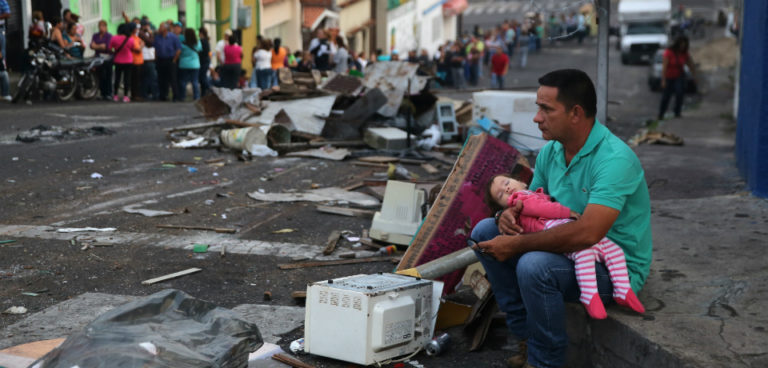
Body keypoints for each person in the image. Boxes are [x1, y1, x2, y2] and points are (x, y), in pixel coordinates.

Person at [470, 69, 652, 368]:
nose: (536, 118)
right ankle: (526, 337)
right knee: (484, 231)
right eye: (538, 108)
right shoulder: (551, 152)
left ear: (576, 113)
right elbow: (531, 204)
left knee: (533, 265)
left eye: (546, 109)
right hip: (566, 250)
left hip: (609, 265)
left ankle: (546, 361)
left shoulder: (614, 160)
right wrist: (506, 215)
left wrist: (517, 245)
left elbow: (587, 234)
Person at [485, 174, 646, 319]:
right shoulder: (521, 198)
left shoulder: (532, 193)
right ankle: (589, 295)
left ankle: (623, 290)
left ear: (520, 180)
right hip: (554, 230)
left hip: (566, 229)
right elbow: (543, 208)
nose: (506, 188)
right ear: (504, 205)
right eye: (501, 195)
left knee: (614, 250)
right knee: (583, 253)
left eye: (506, 182)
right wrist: (569, 212)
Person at [658, 35, 695, 120]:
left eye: (684, 45)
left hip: (679, 76)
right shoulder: (669, 52)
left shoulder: (684, 54)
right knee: (666, 97)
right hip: (669, 76)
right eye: (681, 44)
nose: (683, 46)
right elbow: (664, 67)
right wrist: (663, 80)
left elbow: (690, 64)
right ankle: (661, 114)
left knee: (680, 93)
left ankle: (677, 112)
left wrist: (694, 76)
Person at [154, 23, 181, 101]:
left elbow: (178, 50)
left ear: (165, 28)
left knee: (173, 79)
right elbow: (156, 49)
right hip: (160, 60)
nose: (159, 28)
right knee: (161, 79)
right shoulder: (157, 37)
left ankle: (175, 96)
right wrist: (156, 59)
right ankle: (163, 95)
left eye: (161, 27)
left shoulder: (173, 37)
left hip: (170, 60)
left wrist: (174, 60)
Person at [110, 23, 136, 102]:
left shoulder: (114, 38)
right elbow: (133, 48)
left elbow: (110, 48)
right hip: (128, 61)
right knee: (126, 79)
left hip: (117, 60)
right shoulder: (130, 39)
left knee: (117, 78)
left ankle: (115, 95)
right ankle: (125, 96)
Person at [90, 20, 113, 100]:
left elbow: (106, 46)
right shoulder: (95, 35)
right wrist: (99, 46)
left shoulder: (109, 36)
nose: (101, 28)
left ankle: (109, 93)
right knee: (100, 76)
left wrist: (96, 46)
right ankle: (102, 92)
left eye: (103, 26)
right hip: (98, 58)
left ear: (106, 27)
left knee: (107, 75)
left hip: (107, 58)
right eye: (100, 26)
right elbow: (91, 45)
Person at [178, 27, 202, 101]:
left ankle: (182, 96)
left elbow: (179, 52)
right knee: (195, 81)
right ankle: (196, 96)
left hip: (184, 64)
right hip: (195, 64)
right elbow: (200, 50)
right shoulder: (197, 43)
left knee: (183, 81)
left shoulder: (182, 44)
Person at [140, 22, 158, 100]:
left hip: (151, 60)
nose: (147, 28)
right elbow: (150, 43)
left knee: (151, 79)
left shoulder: (149, 35)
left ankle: (152, 94)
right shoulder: (141, 34)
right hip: (145, 59)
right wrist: (150, 34)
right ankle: (145, 94)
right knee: (146, 79)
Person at [129, 23, 145, 101]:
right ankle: (135, 95)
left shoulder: (136, 37)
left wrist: (141, 44)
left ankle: (137, 94)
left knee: (138, 79)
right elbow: (138, 49)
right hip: (135, 61)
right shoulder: (132, 38)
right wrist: (141, 45)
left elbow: (143, 42)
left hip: (139, 61)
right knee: (135, 80)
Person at [198, 27, 211, 97]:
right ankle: (203, 93)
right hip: (206, 61)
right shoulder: (206, 40)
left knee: (202, 77)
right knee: (202, 77)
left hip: (203, 61)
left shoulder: (202, 41)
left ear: (201, 33)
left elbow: (201, 52)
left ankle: (210, 89)